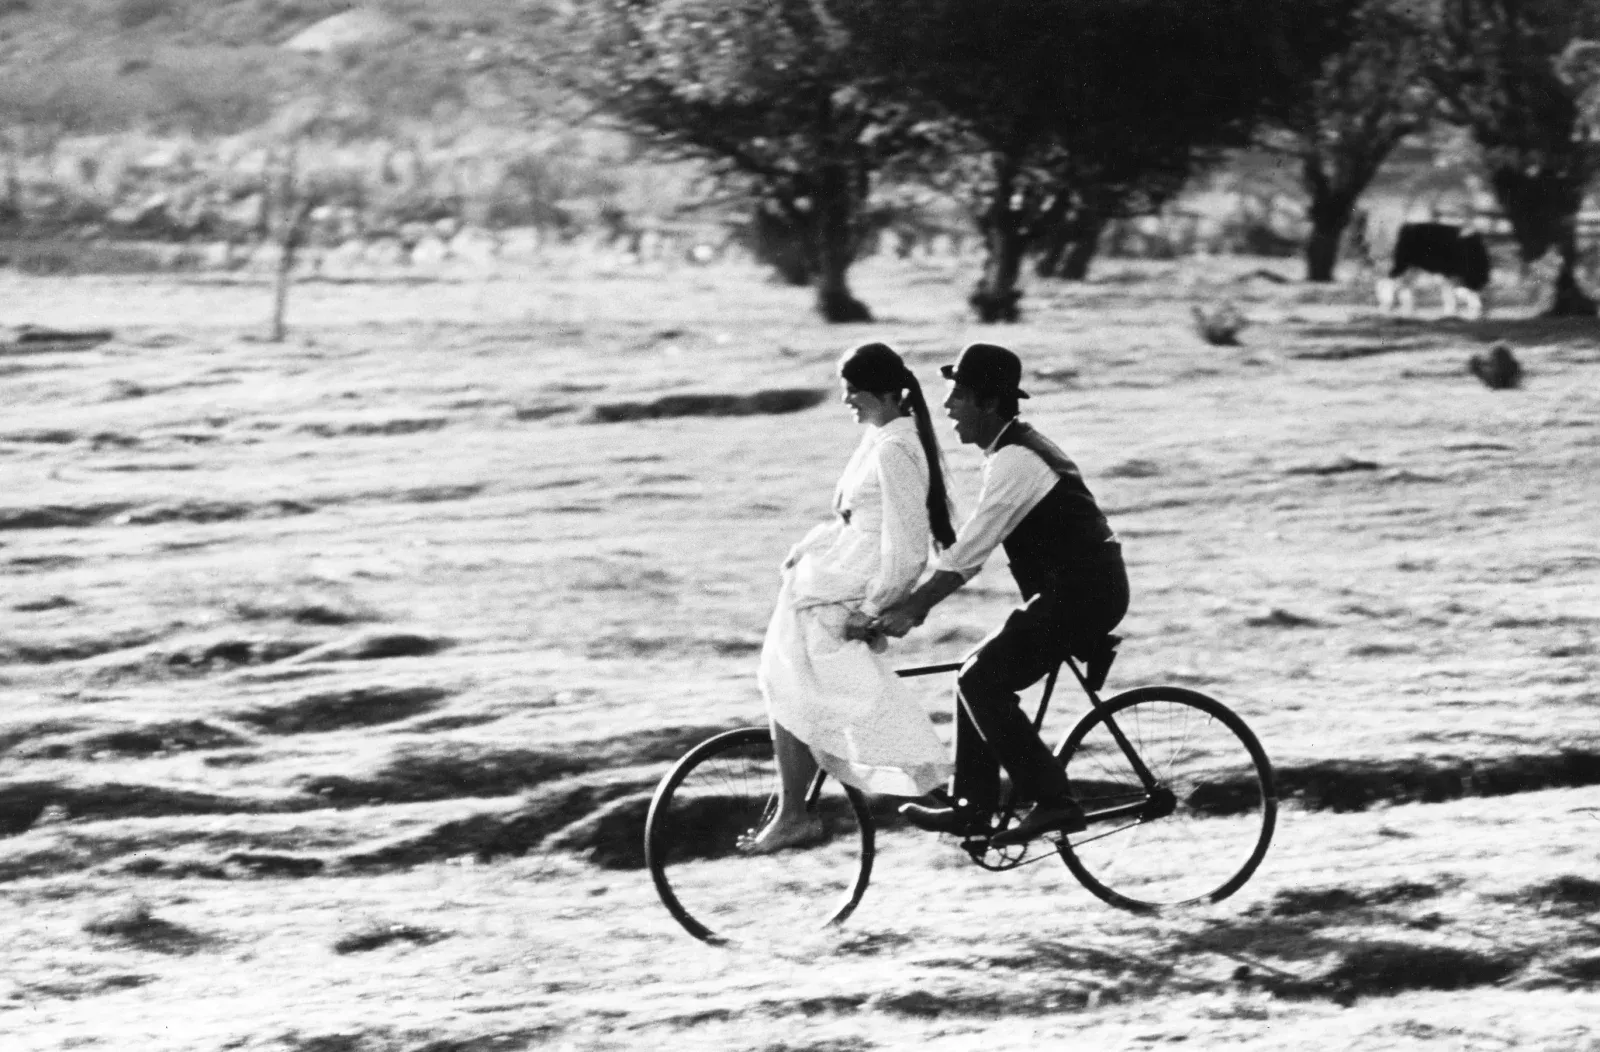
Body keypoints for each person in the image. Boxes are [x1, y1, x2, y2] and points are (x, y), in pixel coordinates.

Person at [873, 342, 1129, 848]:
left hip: (1083, 594)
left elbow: (969, 554)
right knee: (974, 673)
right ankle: (973, 808)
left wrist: (914, 608)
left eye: (959, 395)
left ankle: (1054, 802)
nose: (947, 406)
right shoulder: (1011, 451)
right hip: (1075, 591)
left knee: (982, 680)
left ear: (989, 403)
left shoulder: (1017, 461)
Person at [740, 343, 959, 854]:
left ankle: (796, 814)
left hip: (850, 585)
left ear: (882, 392)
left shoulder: (895, 448)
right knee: (793, 683)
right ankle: (804, 808)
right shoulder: (881, 439)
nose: (847, 400)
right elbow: (853, 519)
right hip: (834, 574)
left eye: (853, 391)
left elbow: (907, 544)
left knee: (805, 685)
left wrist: (875, 607)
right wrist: (807, 548)